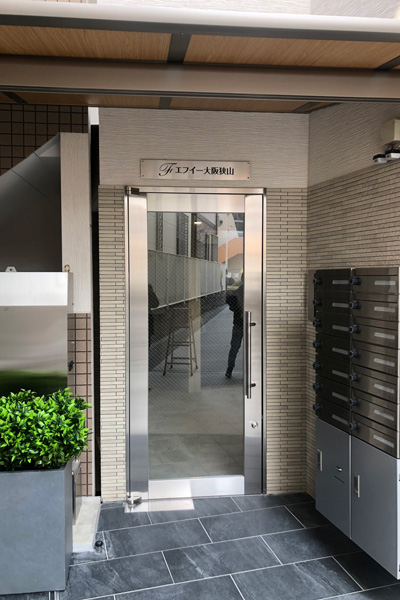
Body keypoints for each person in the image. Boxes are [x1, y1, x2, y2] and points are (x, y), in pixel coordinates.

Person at [225, 275, 244, 378]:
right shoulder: (239, 292)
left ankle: (229, 369)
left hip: (239, 323)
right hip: (245, 323)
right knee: (236, 347)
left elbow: (229, 300)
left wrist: (236, 308)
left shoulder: (237, 292)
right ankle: (230, 368)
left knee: (234, 347)